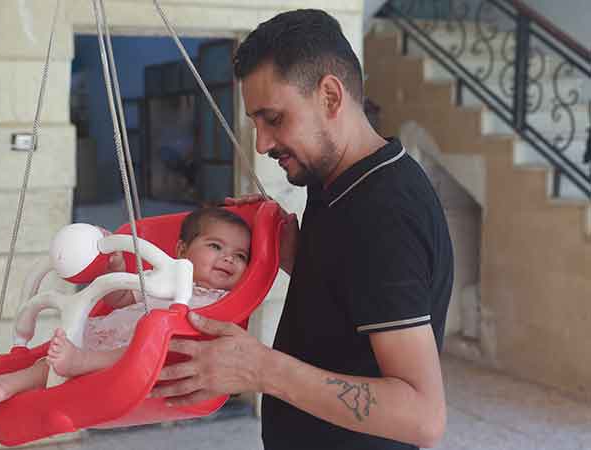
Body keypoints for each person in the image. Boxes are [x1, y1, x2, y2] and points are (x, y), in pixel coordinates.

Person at [148, 9, 454, 450]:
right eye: (256, 123)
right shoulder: (335, 176)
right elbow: (356, 290)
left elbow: (422, 417)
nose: (262, 144)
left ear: (330, 96)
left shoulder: (384, 214)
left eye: (273, 119)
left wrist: (260, 369)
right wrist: (291, 253)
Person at [0, 207, 251, 404]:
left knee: (124, 350)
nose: (228, 258)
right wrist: (116, 267)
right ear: (182, 250)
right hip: (114, 338)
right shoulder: (164, 277)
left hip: (153, 359)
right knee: (49, 360)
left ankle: (5, 386)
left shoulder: (225, 302)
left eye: (240, 256)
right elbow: (119, 299)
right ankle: (8, 384)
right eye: (216, 246)